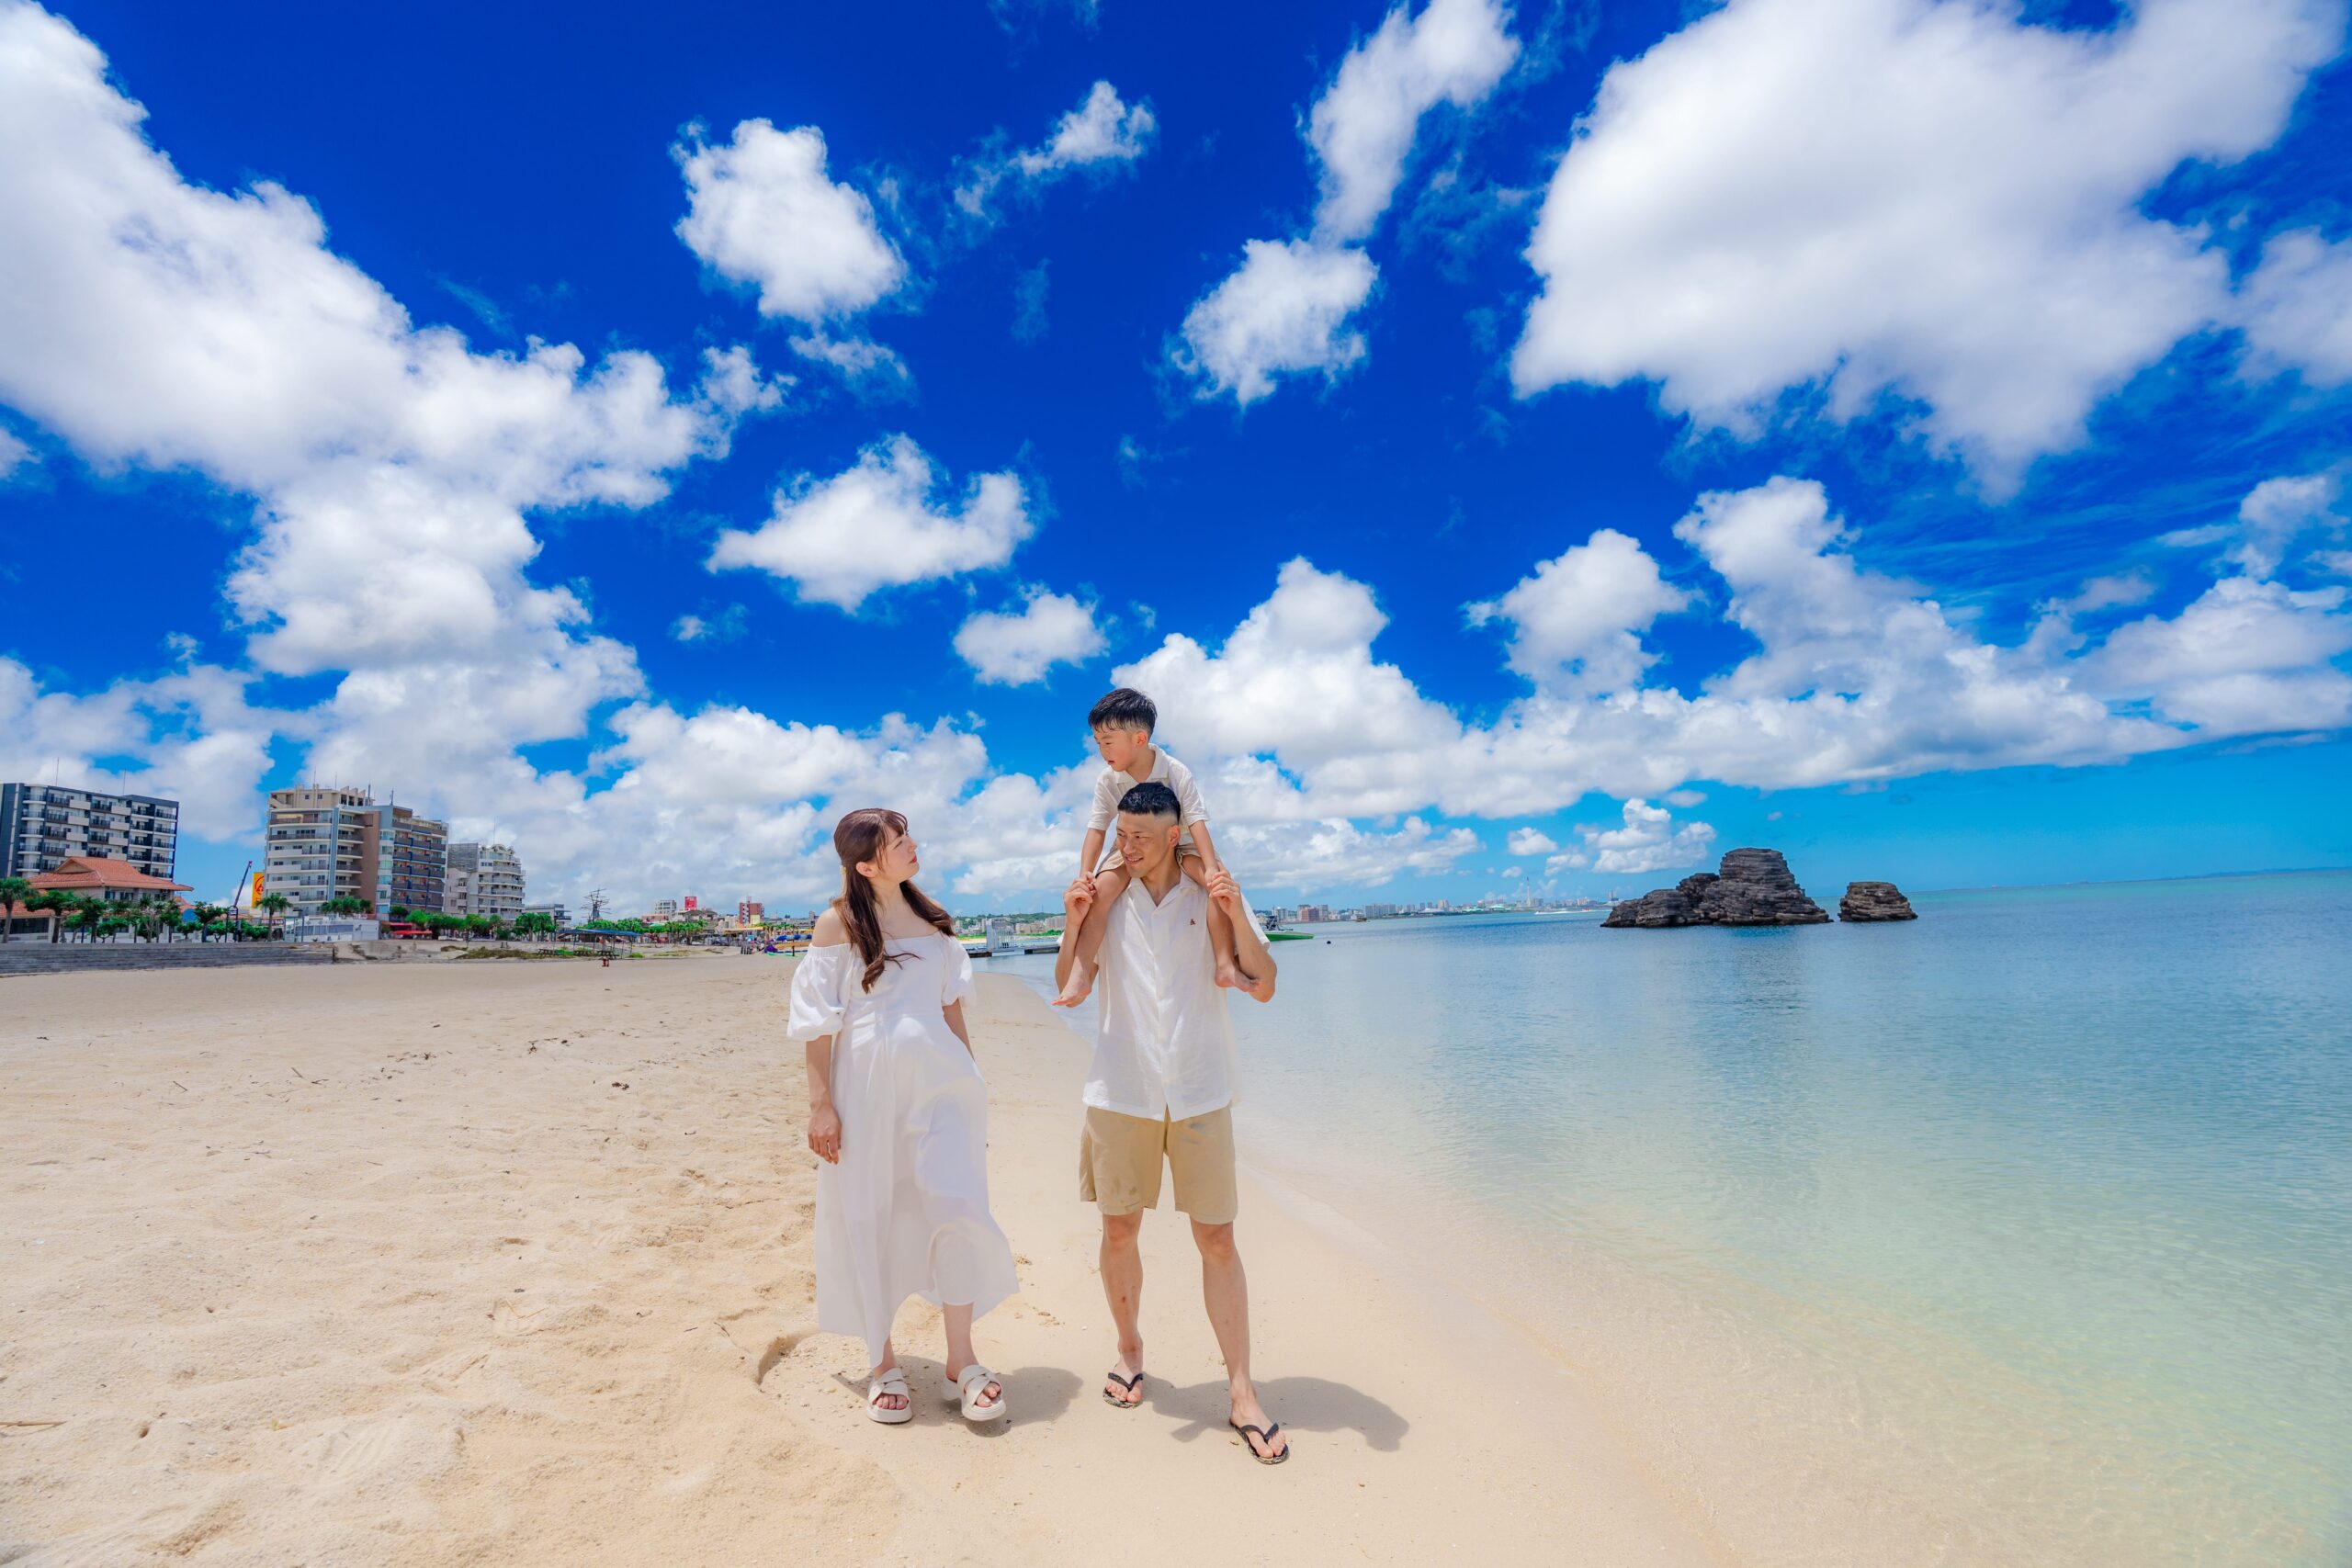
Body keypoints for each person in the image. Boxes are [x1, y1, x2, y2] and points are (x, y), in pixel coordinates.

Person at [1054, 781, 1291, 1465]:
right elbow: (1070, 982)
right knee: (1118, 1227)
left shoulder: (1210, 890)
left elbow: (1265, 981)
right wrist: (1071, 917)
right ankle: (1130, 1349)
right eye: (1118, 834)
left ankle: (1242, 1390)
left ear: (1171, 836)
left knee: (1218, 1239)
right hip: (1121, 1086)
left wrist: (1232, 910)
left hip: (1200, 1086)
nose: (1122, 847)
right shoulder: (1106, 895)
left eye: (1136, 838)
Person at [789, 808, 1018, 1427]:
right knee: (869, 1213)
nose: (913, 845)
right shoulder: (836, 926)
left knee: (958, 1205)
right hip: (863, 1090)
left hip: (942, 1086)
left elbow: (951, 1012)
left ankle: (962, 1360)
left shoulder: (933, 918)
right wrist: (820, 1106)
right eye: (898, 841)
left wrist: (972, 1081)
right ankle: (882, 1360)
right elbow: (818, 1028)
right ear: (866, 864)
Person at [1054, 687, 1252, 1007]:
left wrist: (1213, 868)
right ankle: (1079, 972)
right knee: (1100, 890)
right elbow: (1097, 828)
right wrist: (1085, 874)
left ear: (1139, 739)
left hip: (1182, 840)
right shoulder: (1108, 780)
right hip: (1131, 845)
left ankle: (1225, 965)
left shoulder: (1175, 770)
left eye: (1108, 741)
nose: (1101, 750)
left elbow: (1198, 819)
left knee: (1214, 885)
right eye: (1097, 742)